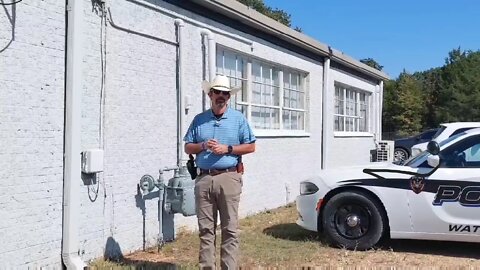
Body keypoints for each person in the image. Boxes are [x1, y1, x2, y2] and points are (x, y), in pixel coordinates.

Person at [184, 75, 256, 269]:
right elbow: (187, 147)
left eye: (225, 93)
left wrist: (228, 149)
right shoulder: (199, 120)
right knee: (206, 231)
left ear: (229, 97)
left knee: (230, 230)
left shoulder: (238, 119)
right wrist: (202, 145)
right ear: (210, 94)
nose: (221, 96)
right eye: (217, 92)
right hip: (204, 178)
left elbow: (251, 147)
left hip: (229, 177)